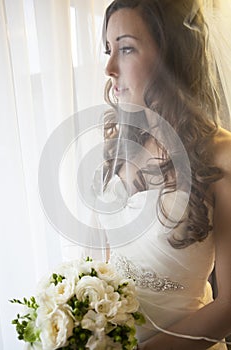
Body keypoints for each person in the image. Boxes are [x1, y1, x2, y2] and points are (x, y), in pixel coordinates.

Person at [93, 0, 231, 349]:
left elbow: (229, 305)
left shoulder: (223, 155)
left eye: (125, 48)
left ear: (172, 56)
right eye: (108, 49)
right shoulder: (120, 141)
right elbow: (114, 262)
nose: (109, 67)